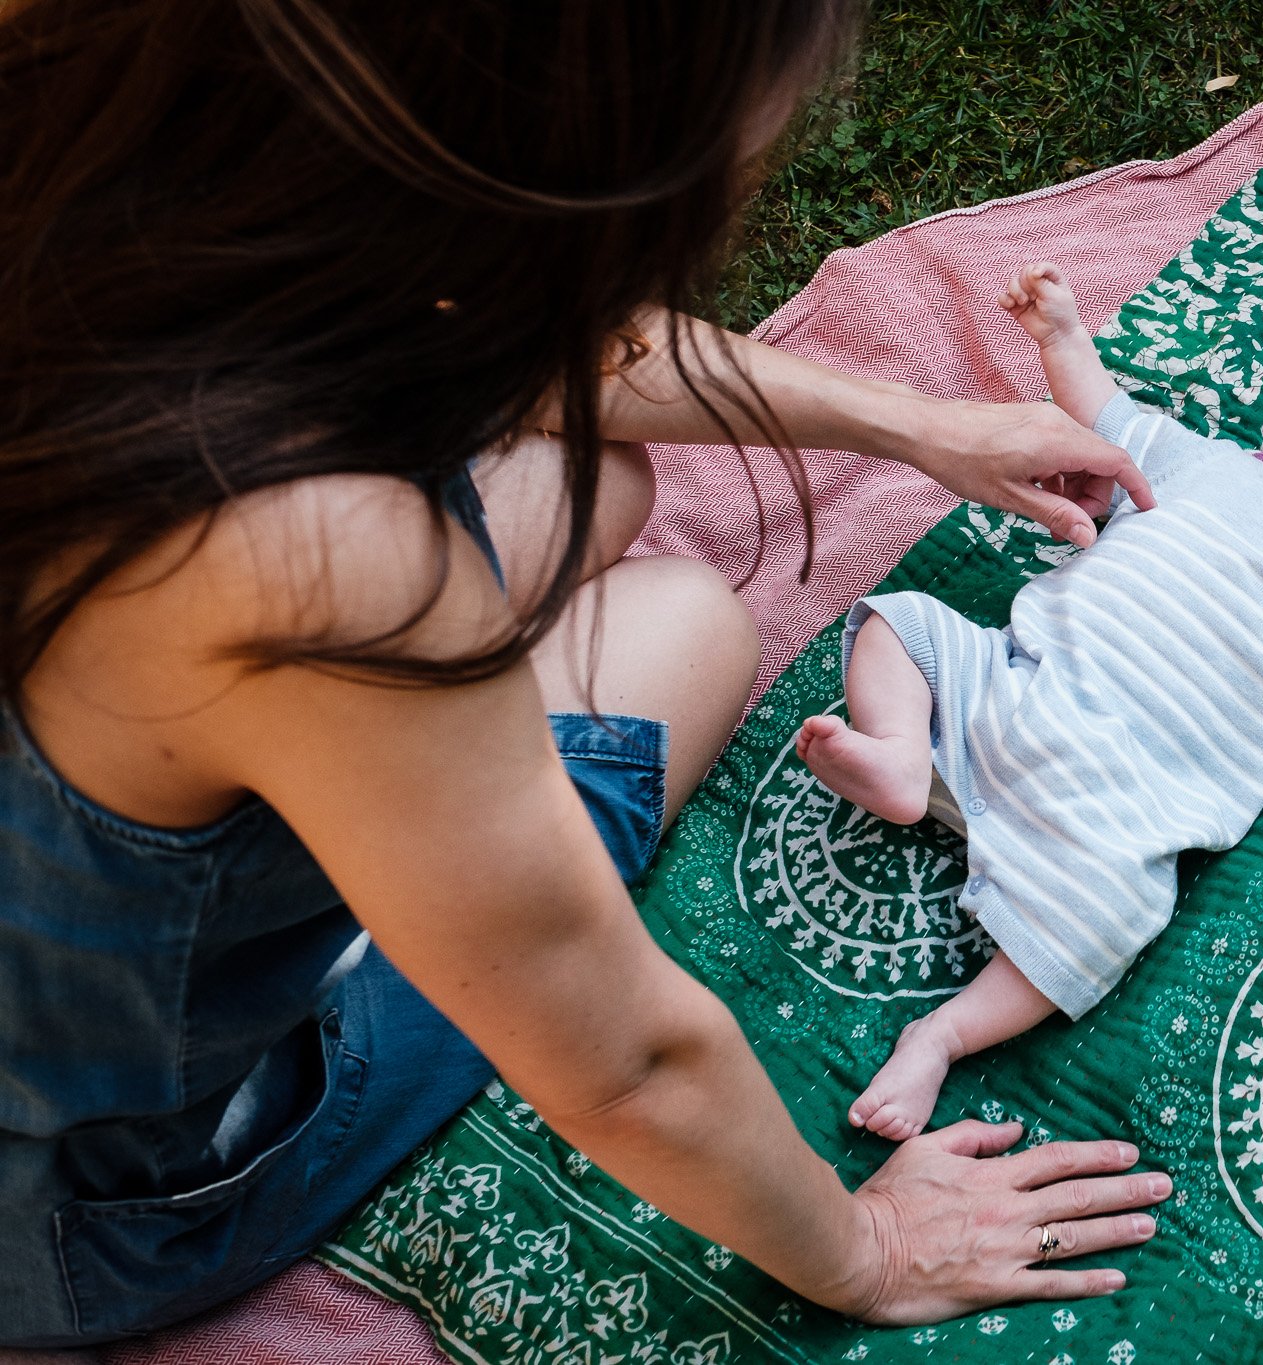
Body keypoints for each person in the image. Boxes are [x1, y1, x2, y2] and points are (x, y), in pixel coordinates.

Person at [0, 3, 1173, 1347]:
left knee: (598, 483)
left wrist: (916, 424)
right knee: (685, 628)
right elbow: (623, 1065)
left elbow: (512, 350)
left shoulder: (93, 116)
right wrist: (868, 1248)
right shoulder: (319, 558)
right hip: (80, 1203)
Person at [798, 263, 1263, 1140]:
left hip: (1122, 796)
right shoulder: (1210, 464)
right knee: (905, 624)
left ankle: (940, 1036)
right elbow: (1105, 417)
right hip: (1013, 681)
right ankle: (897, 753)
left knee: (1105, 923)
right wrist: (1065, 340)